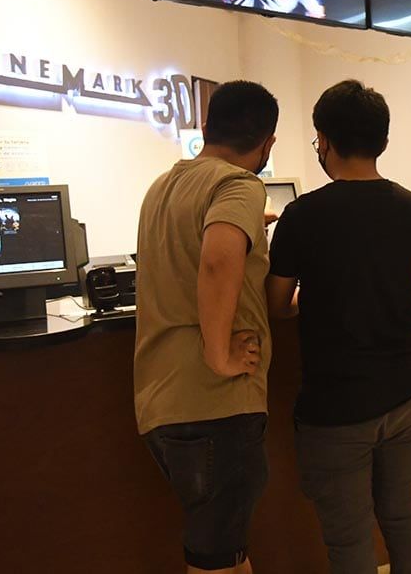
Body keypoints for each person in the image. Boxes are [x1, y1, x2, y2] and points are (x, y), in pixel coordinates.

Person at [266, 80, 411, 574]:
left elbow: (278, 304)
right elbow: (410, 286)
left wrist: (315, 297)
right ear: (381, 140)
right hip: (408, 392)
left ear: (325, 140)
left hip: (337, 406)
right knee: (404, 514)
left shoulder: (302, 216)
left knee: (349, 537)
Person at [135, 80, 278, 574]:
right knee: (214, 557)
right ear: (268, 143)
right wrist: (221, 356)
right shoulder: (238, 185)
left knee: (225, 547)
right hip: (214, 401)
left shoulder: (163, 185)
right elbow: (217, 262)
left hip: (162, 396)